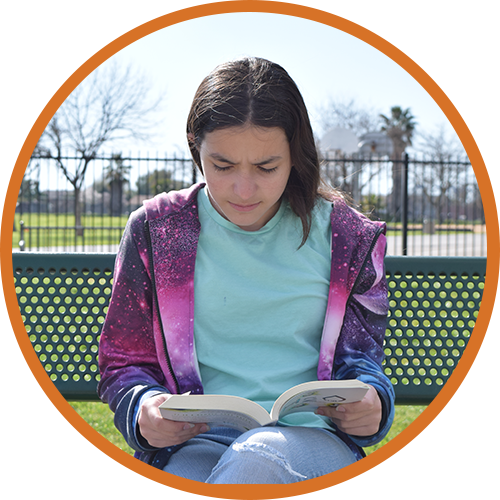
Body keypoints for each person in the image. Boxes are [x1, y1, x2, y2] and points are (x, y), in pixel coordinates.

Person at [97, 57, 395, 484]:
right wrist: (142, 408)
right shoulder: (156, 230)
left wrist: (372, 405)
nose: (243, 189)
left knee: (256, 457)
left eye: (266, 167)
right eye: (221, 166)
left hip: (314, 444)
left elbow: (361, 363)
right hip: (194, 442)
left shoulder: (347, 237)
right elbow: (124, 362)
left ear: (297, 154)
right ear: (194, 147)